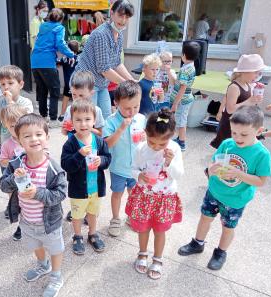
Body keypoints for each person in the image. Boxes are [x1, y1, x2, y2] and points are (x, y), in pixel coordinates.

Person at [178, 106, 271, 270]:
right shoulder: (228, 143)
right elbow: (213, 162)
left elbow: (261, 181)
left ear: (259, 131)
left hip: (236, 199)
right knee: (205, 217)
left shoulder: (262, 154)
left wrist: (239, 174)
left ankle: (221, 252)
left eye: (244, 134)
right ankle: (197, 243)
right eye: (234, 132)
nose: (237, 138)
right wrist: (211, 169)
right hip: (214, 191)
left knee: (228, 227)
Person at [0, 114, 67, 297]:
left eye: (38, 134)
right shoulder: (16, 164)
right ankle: (42, 265)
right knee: (35, 244)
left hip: (49, 222)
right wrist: (14, 178)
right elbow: (3, 185)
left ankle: (56, 276)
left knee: (55, 248)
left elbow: (60, 194)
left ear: (47, 137)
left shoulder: (53, 168)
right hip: (27, 220)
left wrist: (37, 193)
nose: (34, 139)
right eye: (27, 136)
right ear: (19, 140)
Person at [125, 109, 183, 279]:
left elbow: (178, 175)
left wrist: (170, 162)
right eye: (152, 142)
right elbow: (133, 169)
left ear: (171, 137)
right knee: (142, 228)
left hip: (164, 198)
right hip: (144, 195)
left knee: (160, 230)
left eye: (161, 144)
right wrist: (139, 176)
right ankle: (142, 254)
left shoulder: (175, 149)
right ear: (145, 134)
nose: (156, 146)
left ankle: (157, 259)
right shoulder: (141, 148)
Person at [61, 100, 111, 255]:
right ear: (72, 122)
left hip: (95, 188)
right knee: (77, 214)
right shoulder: (70, 143)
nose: (83, 123)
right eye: (78, 119)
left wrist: (101, 161)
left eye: (87, 119)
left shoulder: (99, 141)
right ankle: (77, 236)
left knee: (92, 213)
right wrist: (78, 155)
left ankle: (92, 233)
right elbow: (65, 164)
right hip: (78, 189)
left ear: (94, 121)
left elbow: (108, 158)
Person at [74, 0, 135, 119]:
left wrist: (132, 80)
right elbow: (104, 69)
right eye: (120, 15)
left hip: (101, 84)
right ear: (111, 13)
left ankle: (104, 138)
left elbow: (117, 63)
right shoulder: (101, 34)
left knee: (106, 118)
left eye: (127, 17)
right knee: (89, 118)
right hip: (86, 83)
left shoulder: (119, 34)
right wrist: (126, 84)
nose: (123, 20)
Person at [103, 80, 147, 237]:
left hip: (136, 169)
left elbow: (148, 143)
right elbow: (107, 144)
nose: (132, 111)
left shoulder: (141, 119)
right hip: (118, 168)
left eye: (136, 106)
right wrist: (121, 128)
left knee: (134, 193)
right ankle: (115, 219)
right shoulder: (111, 121)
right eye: (127, 108)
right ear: (116, 103)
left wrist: (146, 137)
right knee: (117, 194)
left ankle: (131, 215)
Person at [31, 8, 75, 128]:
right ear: (61, 19)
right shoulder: (59, 27)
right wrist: (71, 54)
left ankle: (43, 118)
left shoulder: (43, 25)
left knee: (42, 90)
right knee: (55, 90)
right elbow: (60, 44)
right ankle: (54, 120)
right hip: (47, 62)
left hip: (35, 61)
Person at [210, 54, 265, 149]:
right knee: (228, 152)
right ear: (245, 72)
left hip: (239, 125)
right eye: (256, 72)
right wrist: (249, 101)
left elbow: (247, 103)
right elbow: (230, 109)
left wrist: (255, 97)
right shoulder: (234, 87)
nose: (257, 76)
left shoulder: (247, 84)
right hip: (230, 127)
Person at [0, 105, 28, 240]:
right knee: (20, 204)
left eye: (18, 124)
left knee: (32, 203)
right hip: (15, 180)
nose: (15, 129)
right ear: (6, 126)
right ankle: (21, 226)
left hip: (32, 178)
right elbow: (3, 161)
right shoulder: (7, 144)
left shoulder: (30, 138)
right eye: (12, 126)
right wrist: (13, 162)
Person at [170, 41, 200, 151]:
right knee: (182, 119)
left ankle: (182, 143)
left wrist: (175, 104)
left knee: (181, 122)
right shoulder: (191, 67)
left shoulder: (185, 70)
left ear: (184, 55)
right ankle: (179, 138)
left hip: (182, 101)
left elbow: (182, 88)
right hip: (186, 99)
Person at [61, 71, 105, 137]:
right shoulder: (69, 109)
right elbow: (64, 133)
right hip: (73, 146)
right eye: (74, 94)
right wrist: (65, 128)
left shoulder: (96, 110)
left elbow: (100, 133)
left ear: (91, 93)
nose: (77, 98)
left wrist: (89, 128)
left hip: (90, 146)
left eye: (81, 95)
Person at [58, 40, 80, 122]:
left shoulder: (65, 58)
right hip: (77, 82)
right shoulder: (78, 58)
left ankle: (62, 115)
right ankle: (76, 115)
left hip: (68, 82)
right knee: (77, 99)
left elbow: (58, 64)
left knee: (66, 98)